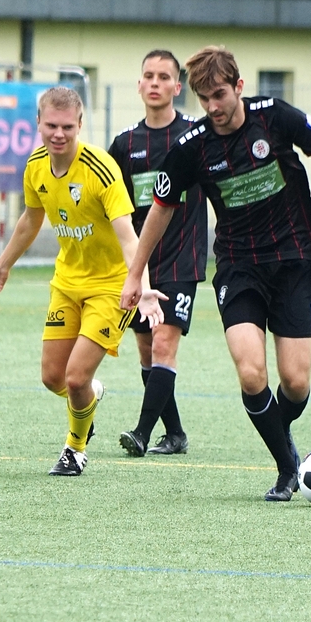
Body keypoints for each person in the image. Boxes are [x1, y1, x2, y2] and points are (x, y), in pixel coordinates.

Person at [120, 46, 311, 501]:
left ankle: (280, 435)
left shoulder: (276, 117)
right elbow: (160, 210)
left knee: (296, 383)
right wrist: (135, 274)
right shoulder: (192, 146)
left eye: (220, 95)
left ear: (239, 87)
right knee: (251, 374)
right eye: (204, 99)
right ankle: (287, 469)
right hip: (238, 267)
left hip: (293, 261)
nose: (212, 107)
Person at [0, 86, 161, 476]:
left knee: (76, 378)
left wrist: (142, 287)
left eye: (67, 126)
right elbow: (31, 219)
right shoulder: (36, 166)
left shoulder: (100, 169)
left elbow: (129, 236)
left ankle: (74, 450)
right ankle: (89, 398)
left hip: (111, 286)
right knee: (53, 378)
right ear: (38, 124)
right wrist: (4, 264)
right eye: (51, 126)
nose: (58, 134)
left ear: (80, 124)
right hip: (67, 282)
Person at [108, 50, 207, 458]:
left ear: (177, 87)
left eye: (164, 77)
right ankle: (176, 434)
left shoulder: (197, 136)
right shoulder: (124, 144)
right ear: (139, 85)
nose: (155, 82)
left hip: (183, 258)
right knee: (148, 350)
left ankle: (142, 432)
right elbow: (112, 206)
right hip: (139, 264)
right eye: (148, 75)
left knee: (165, 345)